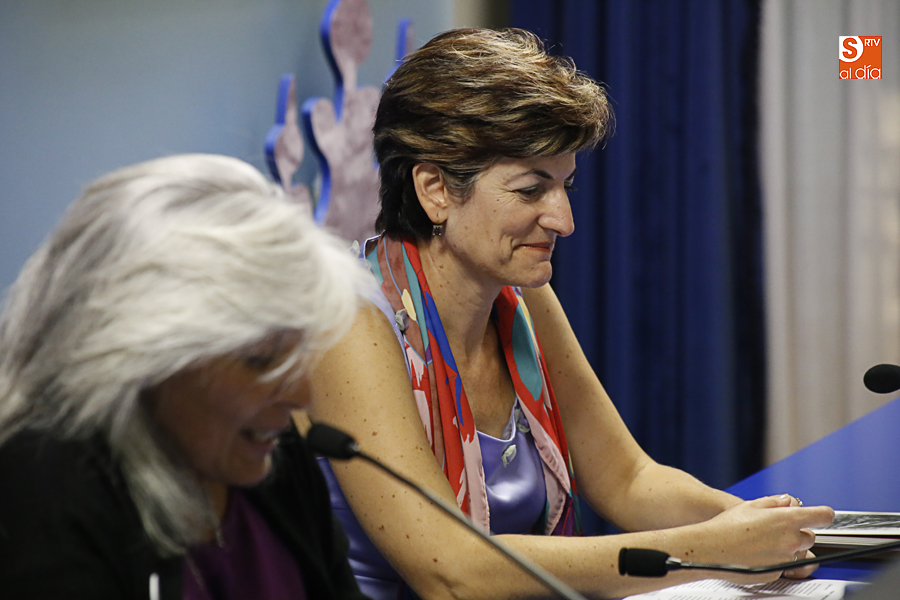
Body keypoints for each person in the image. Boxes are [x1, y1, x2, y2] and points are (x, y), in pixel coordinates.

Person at [306, 28, 835, 600]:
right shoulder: (354, 320)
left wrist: (764, 531)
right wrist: (711, 550)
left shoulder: (522, 295)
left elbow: (627, 480)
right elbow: (451, 570)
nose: (563, 220)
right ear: (434, 188)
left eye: (565, 187)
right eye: (532, 190)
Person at [0, 154, 374, 600]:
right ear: (141, 355)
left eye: (299, 355)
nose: (300, 395)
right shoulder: (43, 493)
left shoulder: (271, 451)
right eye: (261, 361)